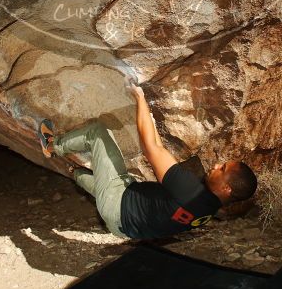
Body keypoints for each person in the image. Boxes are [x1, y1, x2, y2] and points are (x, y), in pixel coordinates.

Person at [37, 81, 257, 239]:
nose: (217, 165)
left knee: (97, 133)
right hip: (125, 229)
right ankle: (73, 172)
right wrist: (149, 120)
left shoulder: (191, 190)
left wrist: (140, 98)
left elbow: (151, 148)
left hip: (118, 203)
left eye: (223, 168)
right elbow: (161, 151)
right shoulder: (208, 211)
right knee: (97, 178)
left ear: (227, 188)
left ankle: (50, 145)